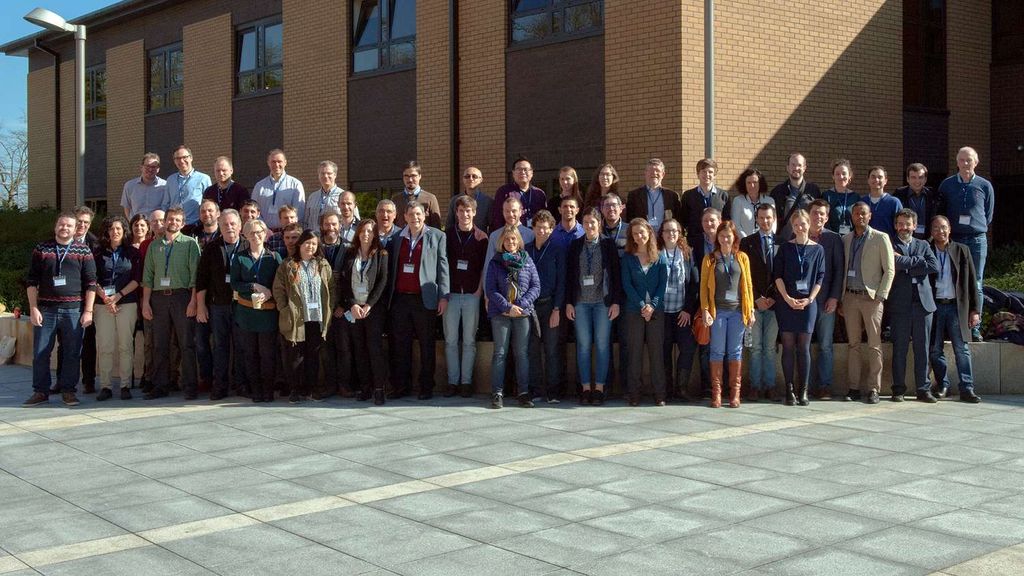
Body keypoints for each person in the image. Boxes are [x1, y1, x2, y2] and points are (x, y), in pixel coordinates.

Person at [22, 212, 97, 407]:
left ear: (75, 229)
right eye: (61, 225)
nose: (65, 228)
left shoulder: (83, 251)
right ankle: (40, 391)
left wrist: (88, 311)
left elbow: (91, 284)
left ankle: (68, 391)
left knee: (72, 353)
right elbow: (31, 281)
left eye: (69, 226)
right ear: (56, 227)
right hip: (46, 310)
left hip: (73, 311)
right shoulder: (42, 249)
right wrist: (33, 308)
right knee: (40, 352)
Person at [386, 201, 449, 400]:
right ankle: (401, 386)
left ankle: (426, 386)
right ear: (404, 216)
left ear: (425, 215)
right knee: (400, 346)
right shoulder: (397, 238)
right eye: (411, 215)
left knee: (427, 345)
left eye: (419, 214)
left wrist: (444, 296)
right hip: (401, 300)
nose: (415, 218)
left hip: (425, 299)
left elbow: (443, 267)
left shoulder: (438, 236)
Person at [141, 207, 201, 400]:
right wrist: (145, 303)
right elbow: (148, 276)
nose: (172, 222)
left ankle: (190, 386)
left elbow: (195, 276)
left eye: (177, 220)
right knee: (160, 344)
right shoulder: (154, 246)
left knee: (186, 343)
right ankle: (160, 385)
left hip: (182, 297)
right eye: (170, 219)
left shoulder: (190, 244)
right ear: (164, 221)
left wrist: (194, 302)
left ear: (182, 223)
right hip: (158, 298)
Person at [565, 208, 622, 405]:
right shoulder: (575, 246)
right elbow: (569, 276)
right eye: (586, 222)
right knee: (582, 346)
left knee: (602, 345)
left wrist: (615, 302)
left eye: (593, 222)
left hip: (602, 304)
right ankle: (585, 388)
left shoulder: (608, 245)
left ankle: (599, 388)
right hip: (580, 303)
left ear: (599, 223)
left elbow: (616, 276)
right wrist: (569, 303)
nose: (590, 226)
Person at [938, 146, 994, 342]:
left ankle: (975, 327)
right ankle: (953, 325)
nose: (965, 163)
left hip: (977, 239)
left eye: (969, 160)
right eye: (962, 160)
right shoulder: (946, 185)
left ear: (976, 162)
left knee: (976, 282)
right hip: (955, 240)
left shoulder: (985, 185)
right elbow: (942, 212)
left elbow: (988, 215)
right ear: (957, 162)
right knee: (953, 280)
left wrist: (975, 227)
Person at [841, 202, 895, 404]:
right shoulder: (846, 239)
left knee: (874, 344)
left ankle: (874, 388)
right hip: (850, 298)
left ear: (869, 215)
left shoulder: (880, 238)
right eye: (856, 214)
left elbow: (889, 270)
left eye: (863, 213)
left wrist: (881, 295)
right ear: (852, 216)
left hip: (871, 298)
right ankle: (854, 387)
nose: (859, 217)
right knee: (853, 344)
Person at [773, 210, 825, 406]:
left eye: (803, 224)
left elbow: (820, 277)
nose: (800, 228)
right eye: (796, 225)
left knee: (803, 347)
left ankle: (803, 390)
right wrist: (786, 298)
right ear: (792, 227)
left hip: (807, 304)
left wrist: (810, 299)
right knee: (787, 346)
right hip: (787, 303)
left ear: (808, 224)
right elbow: (777, 275)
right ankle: (789, 390)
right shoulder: (785, 248)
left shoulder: (818, 249)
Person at [700, 220, 755, 408]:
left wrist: (750, 310)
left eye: (728, 236)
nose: (725, 239)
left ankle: (735, 393)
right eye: (721, 236)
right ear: (717, 238)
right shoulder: (710, 259)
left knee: (735, 351)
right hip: (718, 312)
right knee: (717, 351)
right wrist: (706, 310)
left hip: (738, 311)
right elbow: (704, 289)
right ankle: (716, 393)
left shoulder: (742, 258)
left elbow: (748, 285)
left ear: (734, 238)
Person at [274, 229, 332, 403]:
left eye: (314, 244)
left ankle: (312, 389)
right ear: (300, 244)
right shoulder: (288, 265)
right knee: (295, 355)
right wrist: (284, 308)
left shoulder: (322, 264)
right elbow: (278, 289)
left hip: (317, 317)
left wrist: (331, 305)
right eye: (307, 243)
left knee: (313, 354)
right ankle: (295, 389)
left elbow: (332, 287)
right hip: (297, 317)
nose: (310, 246)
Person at [485, 226, 541, 408]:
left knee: (522, 354)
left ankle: (523, 393)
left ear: (519, 241)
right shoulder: (495, 262)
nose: (511, 242)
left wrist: (520, 306)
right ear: (502, 242)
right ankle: (497, 393)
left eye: (514, 239)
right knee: (500, 353)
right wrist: (508, 307)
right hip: (500, 313)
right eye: (507, 240)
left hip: (522, 313)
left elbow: (536, 286)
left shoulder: (527, 261)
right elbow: (491, 289)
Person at [928, 216, 982, 403]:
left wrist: (975, 310)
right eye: (936, 228)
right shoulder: (926, 248)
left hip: (955, 307)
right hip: (934, 306)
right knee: (935, 350)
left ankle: (967, 387)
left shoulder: (962, 250)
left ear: (949, 229)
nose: (940, 231)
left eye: (943, 227)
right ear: (931, 230)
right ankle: (942, 384)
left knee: (961, 349)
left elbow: (971, 282)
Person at [195, 209, 247, 399]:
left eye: (233, 223)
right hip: (218, 306)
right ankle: (220, 385)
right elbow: (201, 279)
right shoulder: (212, 248)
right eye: (225, 224)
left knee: (241, 346)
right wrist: (200, 305)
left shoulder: (248, 246)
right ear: (220, 225)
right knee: (220, 347)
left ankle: (241, 383)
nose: (229, 227)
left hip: (242, 305)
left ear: (240, 226)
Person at [338, 219, 390, 404]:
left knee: (374, 348)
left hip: (373, 309)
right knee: (359, 349)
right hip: (354, 309)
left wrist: (369, 305)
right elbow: (343, 282)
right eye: (362, 231)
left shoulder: (382, 254)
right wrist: (352, 304)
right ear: (358, 233)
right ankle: (365, 387)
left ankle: (378, 389)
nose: (366, 234)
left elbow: (383, 281)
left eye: (370, 231)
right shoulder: (350, 253)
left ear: (375, 234)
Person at [889, 209, 939, 402]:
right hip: (900, 304)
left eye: (907, 224)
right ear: (896, 226)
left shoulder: (924, 244)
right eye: (900, 224)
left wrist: (907, 262)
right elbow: (893, 264)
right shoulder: (889, 244)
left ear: (914, 226)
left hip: (923, 304)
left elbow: (933, 266)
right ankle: (898, 389)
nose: (904, 228)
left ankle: (923, 389)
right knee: (899, 348)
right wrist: (918, 263)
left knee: (923, 347)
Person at [230, 219, 281, 402]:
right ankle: (256, 390)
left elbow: (281, 284)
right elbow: (234, 283)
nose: (256, 235)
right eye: (251, 233)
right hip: (247, 315)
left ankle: (268, 390)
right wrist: (253, 286)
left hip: (268, 314)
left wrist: (269, 294)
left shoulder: (274, 257)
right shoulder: (239, 257)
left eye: (259, 231)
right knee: (250, 354)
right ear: (245, 235)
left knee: (267, 354)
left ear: (265, 233)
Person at [92, 216, 142, 401]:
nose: (115, 232)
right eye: (111, 229)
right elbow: (92, 279)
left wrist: (118, 296)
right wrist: (105, 298)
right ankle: (105, 386)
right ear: (106, 232)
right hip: (102, 304)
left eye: (119, 228)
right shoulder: (97, 253)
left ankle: (125, 385)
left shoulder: (132, 253)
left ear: (124, 231)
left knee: (125, 345)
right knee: (105, 346)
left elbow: (137, 279)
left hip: (127, 302)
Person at [443, 195, 488, 397]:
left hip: (471, 294)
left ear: (474, 212)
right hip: (451, 294)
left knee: (469, 341)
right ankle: (453, 382)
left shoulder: (482, 237)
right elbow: (442, 266)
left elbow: (484, 268)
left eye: (468, 211)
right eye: (461, 211)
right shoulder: (448, 235)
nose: (464, 214)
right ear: (456, 213)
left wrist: (479, 290)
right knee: (451, 340)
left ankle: (466, 382)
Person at [621, 218, 668, 406]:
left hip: (656, 312)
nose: (639, 236)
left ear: (649, 232)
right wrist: (642, 305)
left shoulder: (660, 256)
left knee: (657, 353)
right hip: (635, 310)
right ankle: (634, 394)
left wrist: (652, 305)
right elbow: (627, 284)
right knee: (635, 353)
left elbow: (662, 285)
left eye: (642, 232)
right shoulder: (628, 257)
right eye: (635, 234)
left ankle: (660, 394)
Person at [739, 204, 780, 400]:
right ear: (756, 219)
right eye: (761, 218)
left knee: (770, 348)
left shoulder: (782, 242)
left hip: (775, 304)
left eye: (768, 218)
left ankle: (770, 385)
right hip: (754, 304)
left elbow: (784, 274)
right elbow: (744, 276)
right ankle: (755, 386)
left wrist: (774, 298)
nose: (765, 221)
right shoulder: (747, 243)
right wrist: (756, 298)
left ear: (774, 219)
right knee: (755, 348)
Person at [526, 210, 567, 403]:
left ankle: (554, 391)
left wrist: (557, 309)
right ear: (532, 228)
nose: (541, 230)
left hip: (551, 305)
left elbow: (562, 282)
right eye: (538, 226)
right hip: (530, 306)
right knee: (532, 349)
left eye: (546, 227)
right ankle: (536, 390)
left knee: (551, 350)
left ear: (552, 229)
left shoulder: (558, 249)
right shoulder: (526, 249)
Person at [807, 199, 846, 400]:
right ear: (809, 214)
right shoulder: (799, 234)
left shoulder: (834, 239)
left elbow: (839, 270)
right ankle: (802, 384)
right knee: (802, 344)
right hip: (803, 302)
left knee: (825, 345)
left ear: (827, 217)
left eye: (822, 214)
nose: (818, 217)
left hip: (825, 302)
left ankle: (825, 386)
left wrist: (834, 297)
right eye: (815, 213)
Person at [660, 219, 700, 402]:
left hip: (682, 312)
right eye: (667, 231)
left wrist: (688, 309)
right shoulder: (656, 253)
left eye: (675, 230)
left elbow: (694, 283)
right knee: (663, 350)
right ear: (662, 234)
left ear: (680, 233)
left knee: (688, 347)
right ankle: (666, 388)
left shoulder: (687, 253)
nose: (671, 234)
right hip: (662, 312)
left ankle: (681, 387)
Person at [681, 158, 730, 251]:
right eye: (703, 171)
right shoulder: (688, 195)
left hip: (718, 242)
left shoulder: (723, 196)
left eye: (710, 172)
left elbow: (726, 221)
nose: (707, 175)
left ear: (715, 175)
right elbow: (684, 220)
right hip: (695, 242)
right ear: (698, 174)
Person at [770, 153, 821, 239]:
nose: (796, 168)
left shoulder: (814, 190)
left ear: (804, 168)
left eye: (799, 165)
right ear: (788, 168)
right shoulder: (777, 192)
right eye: (793, 165)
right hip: (785, 242)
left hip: (809, 241)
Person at [251, 149, 305, 230]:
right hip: (264, 233)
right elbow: (253, 210)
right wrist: (264, 229)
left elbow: (299, 212)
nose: (276, 164)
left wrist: (289, 229)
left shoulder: (295, 185)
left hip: (288, 233)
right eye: (273, 162)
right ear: (268, 163)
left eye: (279, 161)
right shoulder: (259, 186)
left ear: (285, 162)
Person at [490, 156, 547, 231]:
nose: (522, 172)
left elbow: (544, 217)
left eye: (525, 169)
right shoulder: (504, 192)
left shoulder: (539, 194)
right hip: (512, 237)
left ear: (532, 173)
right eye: (519, 169)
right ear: (513, 173)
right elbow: (497, 218)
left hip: (535, 236)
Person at [626, 158, 681, 232]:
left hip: (665, 238)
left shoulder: (672, 196)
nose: (654, 173)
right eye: (651, 170)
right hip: (643, 239)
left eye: (657, 171)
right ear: (645, 173)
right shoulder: (634, 196)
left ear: (663, 174)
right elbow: (630, 220)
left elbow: (678, 220)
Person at [162, 145, 212, 226]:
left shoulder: (204, 179)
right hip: (175, 226)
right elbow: (165, 204)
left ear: (191, 158)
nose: (181, 161)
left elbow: (209, 204)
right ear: (174, 161)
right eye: (177, 158)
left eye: (184, 157)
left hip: (195, 224)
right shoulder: (170, 180)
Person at [392, 160, 442, 229]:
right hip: (401, 239)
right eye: (406, 176)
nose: (410, 180)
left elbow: (436, 226)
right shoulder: (395, 199)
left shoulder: (430, 198)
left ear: (420, 176)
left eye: (413, 176)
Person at [485, 197, 535, 265]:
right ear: (503, 212)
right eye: (507, 211)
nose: (510, 214)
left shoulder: (531, 235)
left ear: (521, 212)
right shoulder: (495, 236)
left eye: (514, 211)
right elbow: (489, 264)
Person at [894, 163, 937, 240]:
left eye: (920, 177)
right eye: (913, 177)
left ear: (925, 179)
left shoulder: (933, 195)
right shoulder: (899, 195)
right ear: (907, 179)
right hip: (905, 238)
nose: (917, 181)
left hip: (928, 240)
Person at [728, 168, 774, 239]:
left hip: (766, 243)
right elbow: (736, 225)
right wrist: (747, 242)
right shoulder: (738, 201)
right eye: (749, 183)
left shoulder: (770, 201)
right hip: (744, 244)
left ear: (760, 183)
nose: (752, 185)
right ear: (744, 184)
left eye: (755, 182)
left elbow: (773, 223)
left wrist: (767, 239)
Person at [446, 166, 492, 233]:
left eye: (474, 176)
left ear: (481, 180)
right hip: (458, 240)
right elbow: (449, 225)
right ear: (463, 179)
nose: (470, 179)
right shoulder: (454, 200)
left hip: (480, 241)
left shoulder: (488, 202)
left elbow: (492, 226)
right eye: (467, 176)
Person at [121, 152, 167, 219]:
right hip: (138, 226)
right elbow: (127, 207)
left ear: (158, 169)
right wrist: (131, 222)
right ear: (141, 167)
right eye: (147, 166)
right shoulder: (129, 186)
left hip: (156, 226)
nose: (150, 169)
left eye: (153, 167)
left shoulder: (165, 186)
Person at [304, 160, 345, 232]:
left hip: (335, 240)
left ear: (335, 175)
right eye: (322, 173)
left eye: (329, 173)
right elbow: (306, 221)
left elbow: (353, 221)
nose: (325, 176)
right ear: (318, 175)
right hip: (314, 240)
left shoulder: (344, 196)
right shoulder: (312, 197)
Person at [864, 166, 903, 238]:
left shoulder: (894, 202)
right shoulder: (862, 202)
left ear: (885, 181)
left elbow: (900, 226)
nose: (876, 180)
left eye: (880, 177)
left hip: (888, 245)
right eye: (873, 177)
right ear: (868, 180)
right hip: (865, 245)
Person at [823, 159, 858, 236]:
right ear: (833, 176)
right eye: (837, 174)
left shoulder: (855, 197)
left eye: (844, 173)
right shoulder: (826, 196)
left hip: (851, 238)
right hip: (832, 238)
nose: (841, 177)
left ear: (849, 176)